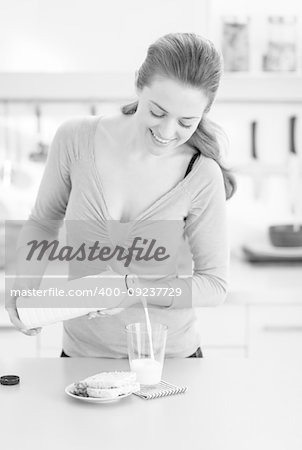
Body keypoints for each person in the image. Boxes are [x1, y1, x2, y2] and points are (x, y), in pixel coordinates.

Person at [6, 32, 236, 358]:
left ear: (206, 110)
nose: (167, 132)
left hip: (168, 360)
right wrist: (23, 287)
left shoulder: (201, 174)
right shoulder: (76, 139)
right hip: (83, 358)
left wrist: (133, 291)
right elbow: (43, 222)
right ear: (139, 87)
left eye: (187, 121)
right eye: (157, 112)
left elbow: (214, 285)